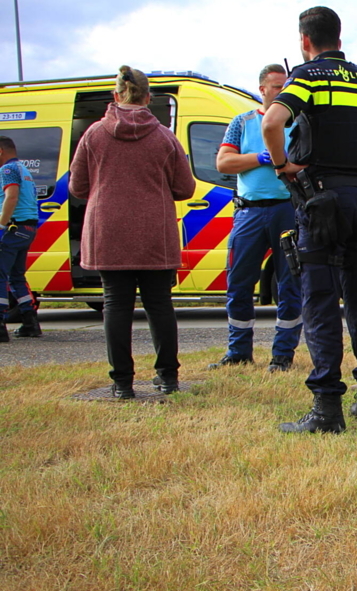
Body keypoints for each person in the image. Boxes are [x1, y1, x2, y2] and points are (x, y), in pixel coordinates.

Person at [263, 6, 357, 433]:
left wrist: (283, 167)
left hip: (320, 199)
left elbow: (273, 122)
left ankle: (327, 409)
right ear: (339, 39)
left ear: (304, 42)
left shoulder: (306, 78)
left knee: (321, 300)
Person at [69, 66, 196, 399]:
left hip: (108, 230)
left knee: (116, 306)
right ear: (149, 98)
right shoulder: (165, 138)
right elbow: (185, 188)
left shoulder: (93, 135)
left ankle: (122, 383)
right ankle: (168, 377)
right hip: (154, 230)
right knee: (159, 305)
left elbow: (78, 187)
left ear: (116, 95)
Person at [208, 64, 303, 373]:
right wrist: (260, 158)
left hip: (287, 209)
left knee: (290, 283)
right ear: (262, 89)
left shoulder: (300, 123)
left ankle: (282, 355)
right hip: (249, 211)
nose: (282, 92)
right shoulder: (242, 122)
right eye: (277, 87)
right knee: (238, 281)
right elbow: (224, 162)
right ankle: (238, 351)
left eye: (286, 87)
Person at [0, 136, 41, 342]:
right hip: (27, 228)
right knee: (16, 276)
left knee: (0, 275)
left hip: (12, 228)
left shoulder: (7, 170)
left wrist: (1, 225)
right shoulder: (24, 170)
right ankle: (30, 322)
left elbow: (11, 197)